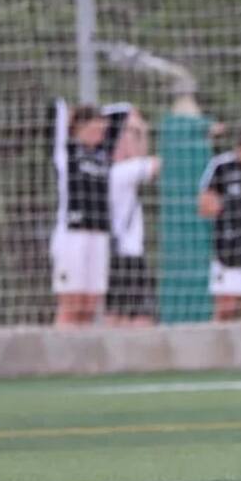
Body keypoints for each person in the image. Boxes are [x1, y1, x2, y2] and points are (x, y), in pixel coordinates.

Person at [50, 100, 111, 327]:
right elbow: (57, 108)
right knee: (71, 303)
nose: (101, 132)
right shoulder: (66, 151)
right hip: (72, 232)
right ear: (79, 126)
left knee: (90, 304)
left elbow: (122, 113)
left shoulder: (103, 155)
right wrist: (71, 112)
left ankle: (82, 361)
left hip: (99, 232)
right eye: (95, 127)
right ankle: (59, 360)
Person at [198, 126, 241, 322]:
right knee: (225, 309)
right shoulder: (222, 166)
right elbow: (204, 206)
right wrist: (231, 206)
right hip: (227, 251)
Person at [106, 109, 161, 326]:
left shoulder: (116, 170)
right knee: (137, 318)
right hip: (126, 255)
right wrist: (143, 130)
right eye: (130, 135)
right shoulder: (121, 171)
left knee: (121, 316)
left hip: (121, 254)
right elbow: (156, 163)